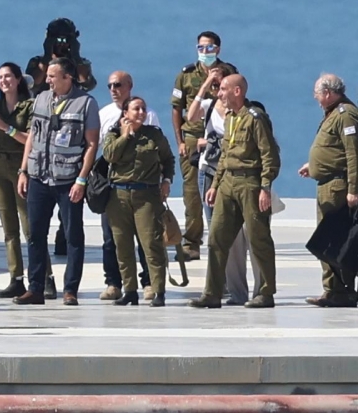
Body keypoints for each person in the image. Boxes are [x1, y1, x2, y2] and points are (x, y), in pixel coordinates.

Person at [15, 58, 101, 306]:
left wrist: (81, 180)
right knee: (35, 235)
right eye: (48, 76)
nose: (48, 80)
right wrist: (23, 171)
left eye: (53, 76)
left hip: (68, 180)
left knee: (73, 235)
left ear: (68, 78)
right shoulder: (41, 98)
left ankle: (70, 289)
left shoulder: (86, 103)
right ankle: (36, 288)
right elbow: (32, 135)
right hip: (39, 176)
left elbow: (92, 144)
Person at [190, 74, 280, 309]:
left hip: (250, 184)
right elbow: (225, 156)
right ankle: (212, 293)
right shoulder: (230, 118)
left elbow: (269, 156)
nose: (219, 94)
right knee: (217, 238)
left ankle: (265, 293)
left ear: (237, 91)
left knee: (258, 239)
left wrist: (265, 188)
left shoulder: (255, 118)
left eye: (222, 90)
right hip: (228, 183)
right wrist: (216, 185)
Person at [0, 62, 55, 300]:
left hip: (23, 165)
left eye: (8, 76)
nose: (4, 81)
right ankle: (16, 278)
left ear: (19, 79)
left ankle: (45, 277)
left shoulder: (30, 106)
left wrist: (4, 127)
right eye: (0, 77)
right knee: (9, 227)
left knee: (30, 226)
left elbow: (30, 139)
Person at [25, 18, 95, 258]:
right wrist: (48, 57)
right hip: (43, 125)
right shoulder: (39, 63)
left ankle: (63, 235)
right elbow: (33, 82)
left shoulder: (79, 65)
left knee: (67, 200)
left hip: (72, 128)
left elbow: (87, 82)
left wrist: (73, 58)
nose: (63, 44)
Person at [101, 96, 174, 307]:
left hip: (147, 196)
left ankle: (158, 290)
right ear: (125, 113)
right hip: (119, 196)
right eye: (136, 109)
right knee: (122, 246)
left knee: (151, 243)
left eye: (143, 108)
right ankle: (130, 290)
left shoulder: (154, 135)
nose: (141, 112)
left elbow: (168, 159)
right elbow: (109, 156)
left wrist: (166, 180)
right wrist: (125, 136)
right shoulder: (113, 134)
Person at [171, 31, 237, 260]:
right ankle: (191, 243)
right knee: (192, 192)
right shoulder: (186, 74)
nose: (204, 52)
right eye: (201, 48)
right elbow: (177, 110)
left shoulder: (228, 72)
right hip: (192, 137)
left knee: (219, 189)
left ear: (218, 49)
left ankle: (220, 240)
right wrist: (180, 141)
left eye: (209, 48)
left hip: (219, 138)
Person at [96, 72, 159, 302]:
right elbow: (101, 150)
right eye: (110, 85)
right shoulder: (104, 114)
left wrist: (164, 181)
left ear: (129, 86)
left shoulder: (147, 114)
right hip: (114, 187)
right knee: (112, 239)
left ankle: (148, 283)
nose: (114, 89)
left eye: (118, 85)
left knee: (145, 239)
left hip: (143, 188)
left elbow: (160, 151)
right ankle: (114, 283)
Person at [297, 73, 358, 308]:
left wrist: (353, 190)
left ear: (328, 93)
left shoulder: (346, 115)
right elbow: (332, 150)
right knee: (327, 240)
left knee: (334, 240)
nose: (315, 97)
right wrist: (313, 166)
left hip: (338, 187)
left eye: (317, 92)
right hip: (326, 184)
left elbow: (353, 154)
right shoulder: (332, 113)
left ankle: (341, 290)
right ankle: (332, 289)